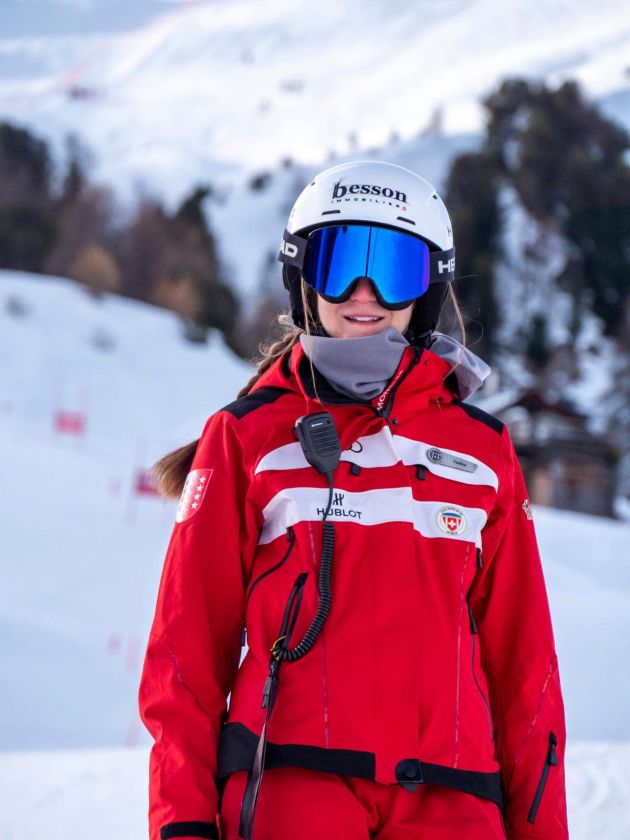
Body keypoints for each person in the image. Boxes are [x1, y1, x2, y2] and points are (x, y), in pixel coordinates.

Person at [139, 160, 569, 840]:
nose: (364, 293)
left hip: (454, 799)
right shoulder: (247, 436)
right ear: (304, 277)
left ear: (428, 288)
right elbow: (184, 659)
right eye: (340, 264)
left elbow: (526, 667)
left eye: (393, 269)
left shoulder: (483, 452)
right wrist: (183, 826)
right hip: (291, 790)